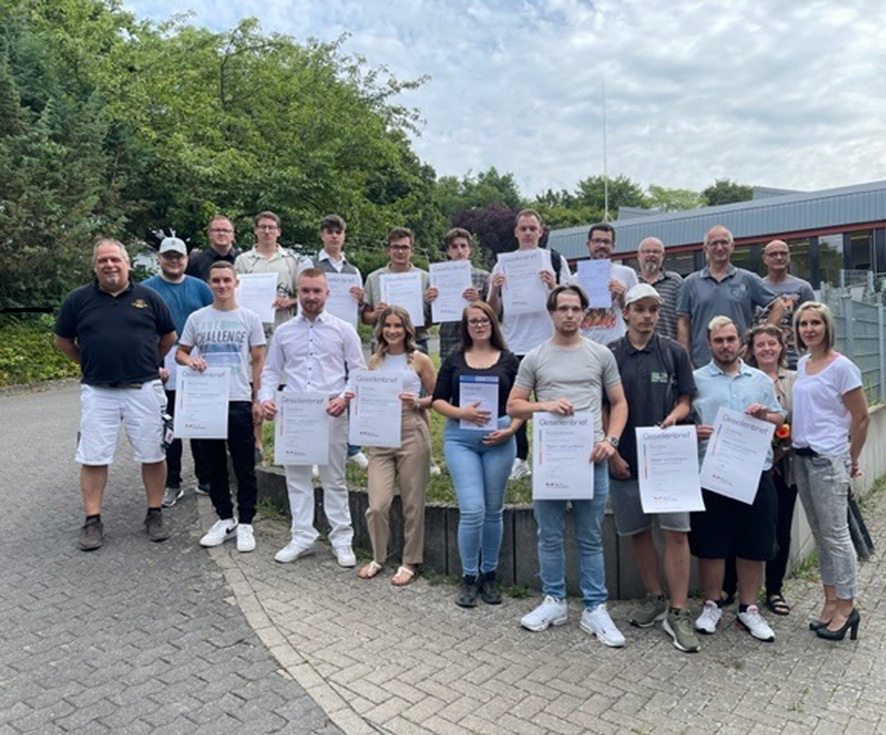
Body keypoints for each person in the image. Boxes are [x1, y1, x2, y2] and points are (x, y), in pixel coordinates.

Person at [507, 285, 629, 647]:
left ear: (585, 313)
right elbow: (514, 406)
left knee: (590, 536)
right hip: (551, 460)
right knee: (550, 534)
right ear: (551, 312)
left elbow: (619, 403)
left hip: (590, 457)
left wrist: (611, 441)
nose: (570, 315)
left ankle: (594, 607)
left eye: (576, 309)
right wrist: (543, 406)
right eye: (563, 308)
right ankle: (554, 601)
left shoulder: (600, 354)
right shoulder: (534, 357)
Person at [54, 238, 176, 550]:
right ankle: (92, 520)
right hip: (98, 392)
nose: (109, 265)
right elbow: (63, 341)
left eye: (115, 260)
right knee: (93, 456)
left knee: (153, 452)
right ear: (94, 266)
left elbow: (168, 337)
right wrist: (91, 362)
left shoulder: (149, 298)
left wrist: (148, 362)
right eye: (103, 260)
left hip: (144, 389)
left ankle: (154, 512)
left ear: (127, 263)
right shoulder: (77, 300)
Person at [607, 284, 699, 653]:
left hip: (667, 456)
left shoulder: (675, 352)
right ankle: (653, 596)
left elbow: (686, 400)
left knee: (676, 531)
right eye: (640, 309)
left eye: (653, 309)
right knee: (639, 531)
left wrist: (674, 418)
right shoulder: (610, 354)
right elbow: (602, 404)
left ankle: (678, 612)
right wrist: (611, 451)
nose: (647, 315)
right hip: (625, 456)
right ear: (625, 312)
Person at [257, 268, 366, 566]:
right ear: (298, 293)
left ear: (327, 293)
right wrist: (265, 398)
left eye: (317, 291)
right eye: (305, 291)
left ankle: (342, 539)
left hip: (331, 412)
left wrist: (345, 397)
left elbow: (357, 372)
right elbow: (270, 371)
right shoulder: (284, 332)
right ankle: (302, 535)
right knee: (298, 479)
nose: (311, 296)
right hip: (294, 414)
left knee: (334, 478)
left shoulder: (343, 330)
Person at [690, 316, 785, 642]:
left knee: (753, 542)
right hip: (712, 473)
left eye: (731, 339)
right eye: (719, 341)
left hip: (753, 472)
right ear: (709, 344)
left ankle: (749, 609)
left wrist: (765, 415)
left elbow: (778, 417)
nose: (726, 346)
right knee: (711, 543)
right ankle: (712, 604)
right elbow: (685, 419)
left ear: (740, 343)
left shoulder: (759, 379)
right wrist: (692, 431)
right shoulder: (695, 380)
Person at [432, 301, 521, 607]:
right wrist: (461, 412)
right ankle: (469, 577)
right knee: (472, 510)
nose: (479, 325)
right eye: (473, 321)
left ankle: (489, 574)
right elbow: (437, 401)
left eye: (484, 320)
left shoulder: (509, 360)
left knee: (493, 510)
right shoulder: (455, 359)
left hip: (499, 438)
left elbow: (522, 402)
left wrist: (511, 429)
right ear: (465, 326)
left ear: (492, 323)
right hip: (461, 439)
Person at [792, 302, 869, 641]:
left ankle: (848, 606)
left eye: (815, 323)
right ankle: (829, 602)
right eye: (803, 324)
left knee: (837, 535)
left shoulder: (843, 368)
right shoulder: (803, 363)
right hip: (802, 458)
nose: (809, 329)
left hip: (828, 459)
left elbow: (862, 417)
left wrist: (850, 457)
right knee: (820, 534)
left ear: (827, 327)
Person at [176, 262, 266, 553]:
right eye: (216, 281)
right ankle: (224, 518)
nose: (222, 285)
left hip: (238, 398)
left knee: (243, 465)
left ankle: (247, 522)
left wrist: (256, 397)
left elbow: (258, 361)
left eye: (227, 280)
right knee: (213, 464)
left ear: (236, 283)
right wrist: (191, 361)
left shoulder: (249, 318)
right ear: (209, 284)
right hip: (206, 401)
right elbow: (180, 352)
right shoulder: (197, 318)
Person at [487, 209, 571, 481]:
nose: (527, 233)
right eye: (522, 228)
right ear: (515, 232)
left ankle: (552, 457)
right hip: (513, 343)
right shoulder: (502, 265)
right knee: (517, 403)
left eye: (532, 229)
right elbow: (491, 311)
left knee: (550, 402)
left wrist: (553, 284)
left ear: (540, 231)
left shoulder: (555, 260)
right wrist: (495, 289)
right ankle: (520, 458)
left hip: (548, 343)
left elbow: (569, 302)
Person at [357, 306, 436, 586]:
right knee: (377, 504)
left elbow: (437, 397)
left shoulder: (419, 360)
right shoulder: (374, 362)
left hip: (411, 429)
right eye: (387, 325)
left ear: (407, 330)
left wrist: (416, 401)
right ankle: (379, 556)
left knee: (413, 503)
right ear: (380, 330)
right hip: (381, 435)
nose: (392, 331)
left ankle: (409, 561)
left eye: (397, 326)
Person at [142, 236, 214, 506]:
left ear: (186, 259)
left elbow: (212, 319)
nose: (174, 261)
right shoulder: (147, 289)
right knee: (169, 425)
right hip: (163, 362)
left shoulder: (199, 288)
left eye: (178, 257)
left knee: (198, 423)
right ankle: (172, 483)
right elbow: (143, 329)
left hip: (196, 361)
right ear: (159, 258)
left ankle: (204, 478)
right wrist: (155, 364)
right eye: (168, 256)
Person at [744, 324, 797, 616]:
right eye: (760, 344)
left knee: (781, 529)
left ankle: (774, 589)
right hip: (751, 466)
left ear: (781, 347)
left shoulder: (795, 380)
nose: (766, 349)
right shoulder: (746, 379)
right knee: (743, 525)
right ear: (752, 349)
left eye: (771, 344)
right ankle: (732, 585)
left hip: (785, 467)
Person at [677, 225, 784, 367]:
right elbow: (683, 322)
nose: (719, 247)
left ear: (732, 246)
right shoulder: (690, 282)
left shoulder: (748, 279)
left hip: (741, 364)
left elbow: (779, 306)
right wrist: (685, 361)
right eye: (714, 243)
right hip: (702, 364)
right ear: (705, 249)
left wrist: (757, 340)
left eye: (724, 242)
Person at [311, 214, 369, 470]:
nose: (334, 236)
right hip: (317, 335)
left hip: (345, 337)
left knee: (351, 391)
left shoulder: (353, 270)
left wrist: (361, 298)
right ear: (322, 235)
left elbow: (362, 309)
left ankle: (352, 448)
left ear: (344, 236)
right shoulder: (310, 264)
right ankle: (314, 450)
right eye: (329, 231)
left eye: (338, 231)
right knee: (316, 393)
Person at [362, 228, 432, 353]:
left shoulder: (425, 277)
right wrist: (374, 314)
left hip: (417, 340)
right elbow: (365, 317)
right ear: (388, 250)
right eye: (395, 247)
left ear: (412, 251)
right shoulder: (373, 278)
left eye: (405, 247)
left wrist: (429, 307)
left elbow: (433, 319)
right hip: (383, 342)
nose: (400, 251)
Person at [234, 211, 303, 334]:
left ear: (278, 231)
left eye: (271, 227)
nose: (267, 231)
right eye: (262, 227)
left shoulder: (292, 260)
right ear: (255, 230)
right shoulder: (242, 260)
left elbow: (303, 293)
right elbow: (234, 294)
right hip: (250, 328)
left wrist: (289, 301)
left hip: (283, 326)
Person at [432, 227, 490, 362]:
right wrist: (430, 300)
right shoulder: (436, 278)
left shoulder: (483, 276)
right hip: (449, 339)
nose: (459, 251)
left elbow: (495, 312)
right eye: (454, 247)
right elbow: (430, 317)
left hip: (477, 339)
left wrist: (478, 301)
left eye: (463, 246)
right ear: (448, 251)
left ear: (470, 249)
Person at [577, 223, 638, 345]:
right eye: (597, 241)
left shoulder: (627, 273)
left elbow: (637, 313)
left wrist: (621, 298)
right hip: (586, 344)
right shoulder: (575, 279)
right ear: (588, 244)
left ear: (613, 246)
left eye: (606, 242)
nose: (601, 245)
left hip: (618, 344)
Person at [761, 240, 815, 369]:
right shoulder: (757, 286)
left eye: (783, 253)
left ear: (789, 257)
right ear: (765, 259)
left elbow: (812, 322)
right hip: (763, 357)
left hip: (794, 358)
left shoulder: (803, 288)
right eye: (773, 254)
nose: (779, 257)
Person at [635, 236, 683, 341]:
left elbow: (682, 318)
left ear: (663, 256)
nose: (651, 255)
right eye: (647, 251)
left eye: (656, 252)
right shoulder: (633, 282)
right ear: (638, 256)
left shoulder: (675, 281)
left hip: (669, 347)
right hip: (638, 347)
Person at [186, 214, 240, 281]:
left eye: (225, 230)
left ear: (233, 235)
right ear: (209, 234)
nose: (221, 234)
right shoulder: (195, 262)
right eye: (217, 230)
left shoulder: (242, 260)